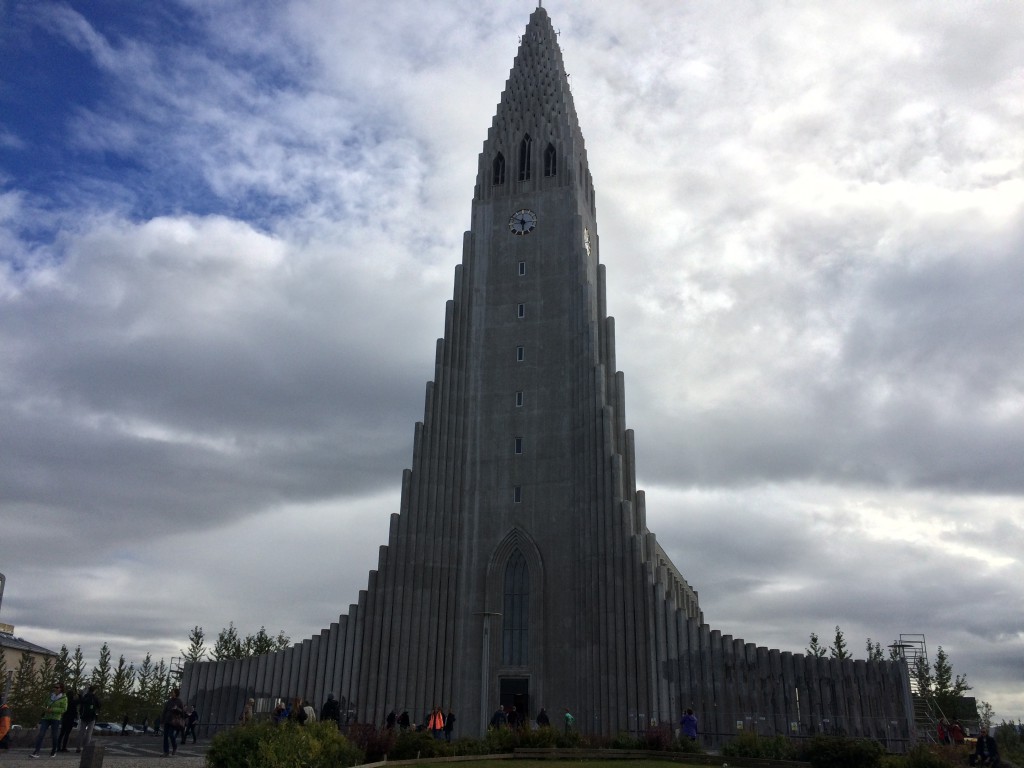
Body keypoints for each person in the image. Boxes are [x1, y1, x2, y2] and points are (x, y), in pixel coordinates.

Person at [31, 683, 68, 758]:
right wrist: (45, 707)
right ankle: (36, 752)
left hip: (55, 718)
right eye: (55, 687)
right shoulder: (50, 695)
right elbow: (44, 703)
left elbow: (64, 709)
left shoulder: (64, 698)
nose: (55, 688)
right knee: (41, 734)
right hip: (46, 717)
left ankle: (54, 751)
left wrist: (52, 710)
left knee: (54, 735)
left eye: (57, 687)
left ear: (61, 689)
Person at [76, 685, 101, 753]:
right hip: (91, 717)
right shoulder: (95, 697)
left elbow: (81, 703)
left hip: (83, 716)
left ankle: (78, 748)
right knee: (88, 733)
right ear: (95, 690)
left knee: (81, 732)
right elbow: (99, 706)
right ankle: (86, 748)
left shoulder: (85, 696)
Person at [161, 687, 185, 757]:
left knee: (171, 735)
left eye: (173, 692)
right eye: (172, 692)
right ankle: (166, 752)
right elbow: (164, 710)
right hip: (167, 720)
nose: (172, 693)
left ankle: (174, 746)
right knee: (165, 736)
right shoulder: (169, 701)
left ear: (176, 693)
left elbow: (182, 712)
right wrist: (162, 720)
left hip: (174, 721)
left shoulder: (179, 701)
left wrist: (177, 709)